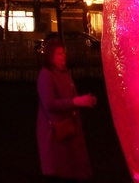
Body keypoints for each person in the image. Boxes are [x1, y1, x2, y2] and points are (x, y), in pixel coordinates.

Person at [36, 37, 96, 181]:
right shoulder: (46, 75)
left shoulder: (65, 73)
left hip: (68, 128)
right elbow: (49, 103)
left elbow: (71, 97)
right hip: (54, 132)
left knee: (69, 169)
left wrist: (84, 101)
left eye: (64, 53)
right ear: (50, 57)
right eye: (59, 54)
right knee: (58, 170)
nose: (63, 57)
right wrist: (75, 102)